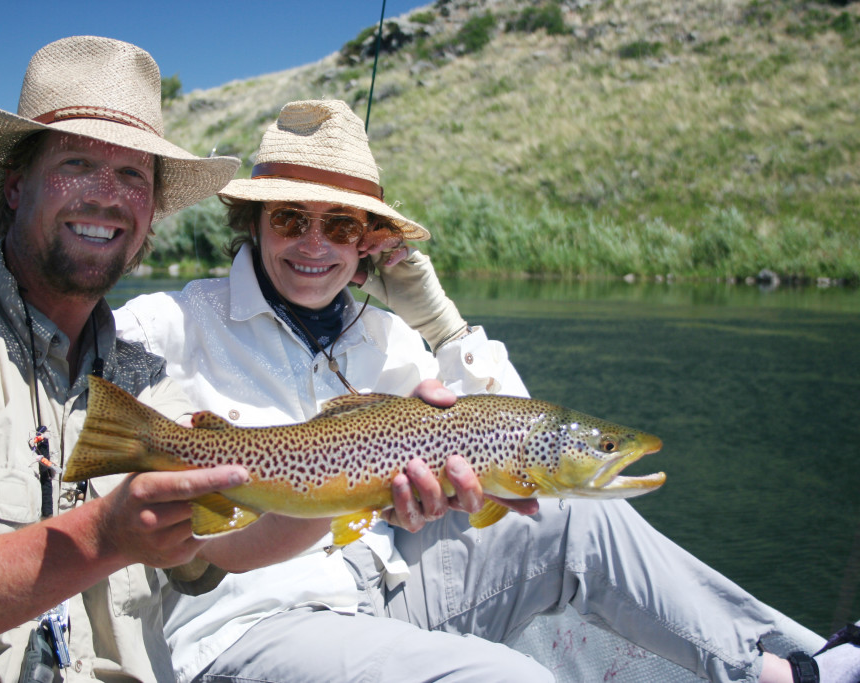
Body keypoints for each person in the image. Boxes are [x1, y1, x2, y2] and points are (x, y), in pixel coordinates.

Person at [116, 99, 858, 683]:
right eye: (290, 220)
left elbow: (529, 454)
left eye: (340, 225)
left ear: (368, 241)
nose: (315, 245)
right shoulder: (170, 321)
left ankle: (778, 675)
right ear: (252, 223)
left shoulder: (389, 341)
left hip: (375, 591)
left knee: (582, 523)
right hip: (244, 627)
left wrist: (438, 320)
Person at [0, 35, 248, 682]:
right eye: (78, 162)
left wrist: (361, 483)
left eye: (134, 174)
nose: (106, 195)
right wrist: (103, 536)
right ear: (14, 186)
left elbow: (227, 545)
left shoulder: (146, 382)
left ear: (151, 214)